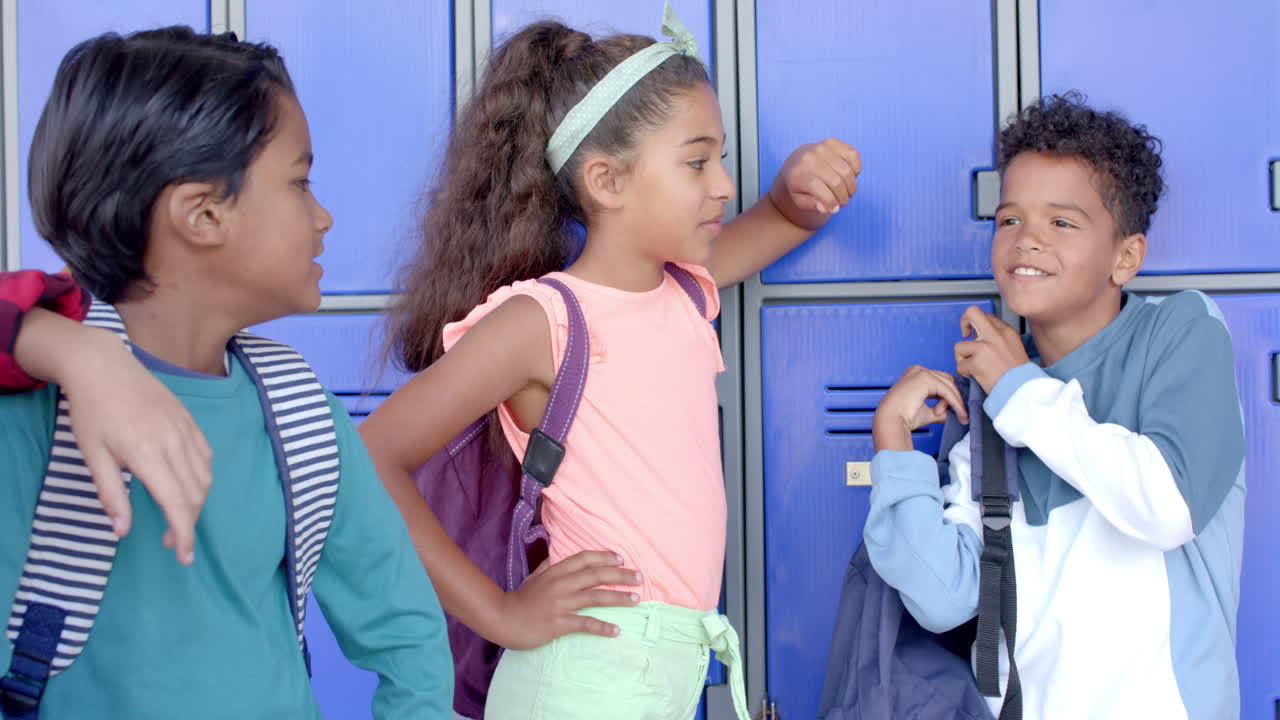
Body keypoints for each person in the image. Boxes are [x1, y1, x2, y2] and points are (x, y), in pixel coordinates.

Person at [360, 5, 860, 719]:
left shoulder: (684, 289)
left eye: (720, 159)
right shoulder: (543, 321)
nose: (722, 184)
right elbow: (370, 456)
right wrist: (499, 613)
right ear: (607, 181)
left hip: (658, 673)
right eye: (697, 161)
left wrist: (799, 196)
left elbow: (779, 220)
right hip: (585, 679)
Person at [0, 27, 452, 718]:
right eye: (300, 182)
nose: (324, 216)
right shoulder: (32, 411)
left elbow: (406, 634)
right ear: (203, 214)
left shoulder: (301, 411)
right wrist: (73, 351)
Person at [866, 93, 1246, 719]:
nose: (1026, 241)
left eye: (1061, 223)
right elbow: (944, 597)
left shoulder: (1181, 331)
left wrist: (1019, 390)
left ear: (1125, 258)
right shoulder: (993, 403)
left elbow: (1166, 507)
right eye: (1009, 220)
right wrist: (894, 446)